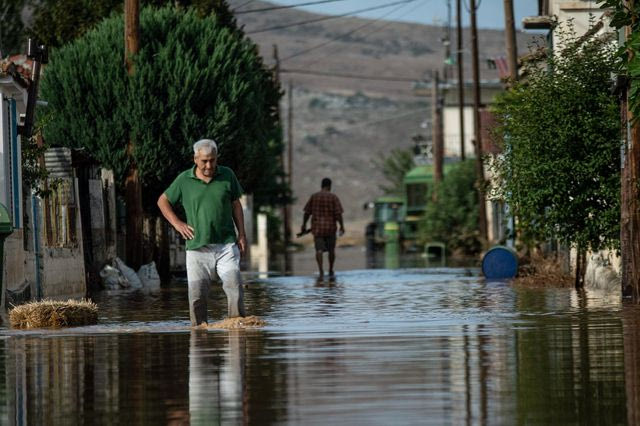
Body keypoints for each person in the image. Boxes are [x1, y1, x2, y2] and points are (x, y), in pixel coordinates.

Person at [157, 139, 246, 326]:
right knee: (197, 296)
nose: (209, 165)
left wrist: (242, 234)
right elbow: (162, 201)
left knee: (235, 286)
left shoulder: (227, 175)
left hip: (226, 245)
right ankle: (199, 333)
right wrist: (177, 223)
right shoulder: (183, 180)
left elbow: (236, 204)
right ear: (195, 159)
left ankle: (237, 328)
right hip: (197, 247)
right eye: (204, 161)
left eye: (212, 160)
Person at [300, 177, 345, 279]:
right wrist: (342, 226)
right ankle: (330, 270)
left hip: (317, 228)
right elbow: (338, 214)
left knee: (319, 250)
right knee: (331, 250)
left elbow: (307, 212)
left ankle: (321, 271)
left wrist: (303, 224)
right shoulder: (333, 197)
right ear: (329, 186)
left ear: (321, 185)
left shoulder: (314, 197)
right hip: (330, 228)